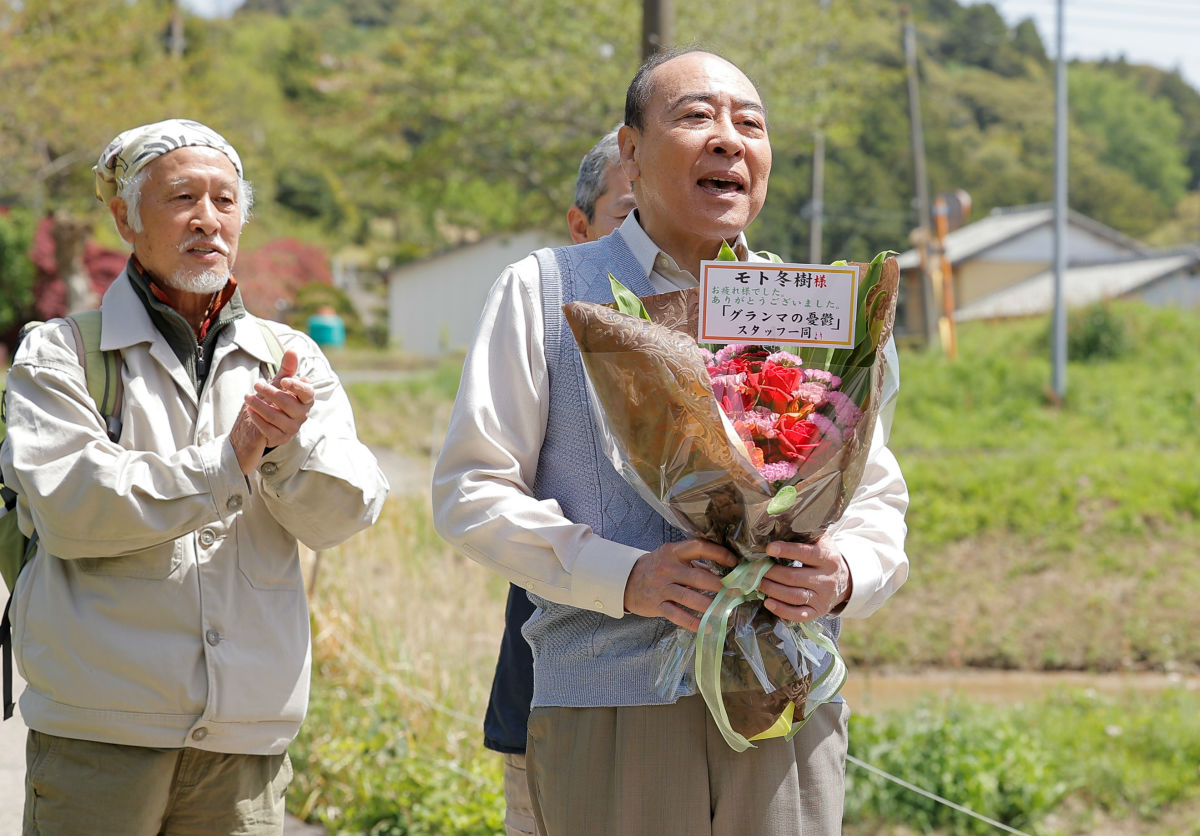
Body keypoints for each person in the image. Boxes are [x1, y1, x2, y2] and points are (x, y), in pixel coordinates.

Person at [434, 50, 907, 836]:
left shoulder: (821, 305)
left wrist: (845, 572)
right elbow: (470, 490)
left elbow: (877, 493)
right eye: (696, 117)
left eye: (750, 125)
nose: (729, 140)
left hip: (783, 700)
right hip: (610, 698)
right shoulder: (547, 289)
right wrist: (626, 578)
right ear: (629, 150)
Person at [1, 119, 389, 836]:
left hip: (245, 742)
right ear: (125, 217)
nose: (208, 219)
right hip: (99, 738)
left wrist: (284, 450)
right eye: (182, 197)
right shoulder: (58, 356)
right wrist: (228, 457)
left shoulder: (291, 358)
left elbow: (345, 515)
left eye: (225, 200)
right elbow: (69, 506)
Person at [483, 124, 635, 836]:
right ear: (581, 226)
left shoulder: (750, 315)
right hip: (558, 688)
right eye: (631, 215)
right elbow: (474, 491)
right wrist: (626, 576)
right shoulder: (541, 306)